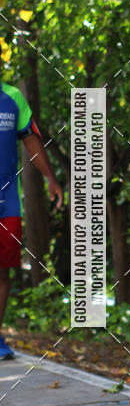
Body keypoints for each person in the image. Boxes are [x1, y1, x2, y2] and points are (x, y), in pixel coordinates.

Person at [0, 80, 63, 358]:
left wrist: (50, 178)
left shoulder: (13, 97)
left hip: (7, 202)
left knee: (2, 271)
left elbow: (30, 138)